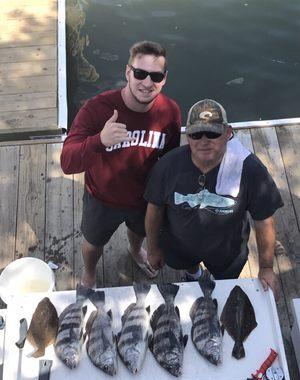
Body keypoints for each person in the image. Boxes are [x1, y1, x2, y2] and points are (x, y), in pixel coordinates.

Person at [61, 41, 181, 287]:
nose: (147, 83)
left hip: (144, 199)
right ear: (127, 72)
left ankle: (136, 252)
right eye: (140, 73)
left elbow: (170, 159)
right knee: (93, 243)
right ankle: (90, 272)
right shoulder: (96, 109)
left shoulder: (170, 111)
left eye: (155, 76)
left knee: (139, 233)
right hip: (101, 199)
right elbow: (67, 161)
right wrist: (99, 141)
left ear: (164, 79)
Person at [144, 99, 283, 301]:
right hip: (180, 245)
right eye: (196, 134)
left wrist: (267, 268)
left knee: (224, 282)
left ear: (228, 133)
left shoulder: (250, 169)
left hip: (227, 252)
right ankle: (194, 274)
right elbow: (154, 209)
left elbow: (264, 220)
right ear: (188, 136)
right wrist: (153, 248)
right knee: (188, 265)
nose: (204, 140)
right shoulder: (167, 166)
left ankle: (217, 284)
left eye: (213, 133)